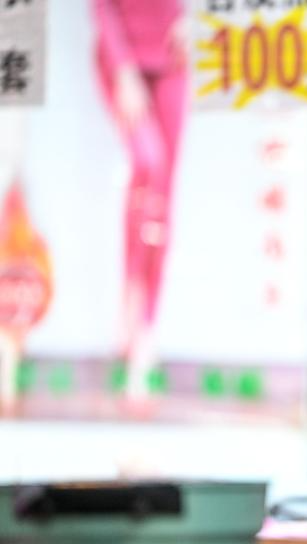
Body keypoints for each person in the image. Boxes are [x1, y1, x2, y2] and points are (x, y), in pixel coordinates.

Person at [91, 0, 188, 401]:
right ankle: (129, 303)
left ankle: (146, 327)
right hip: (124, 64)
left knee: (164, 195)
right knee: (146, 165)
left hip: (172, 60)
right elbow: (100, 7)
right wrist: (123, 69)